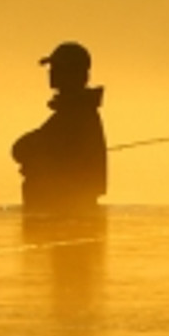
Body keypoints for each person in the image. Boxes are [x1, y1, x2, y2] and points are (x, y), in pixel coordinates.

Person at [12, 42, 107, 214]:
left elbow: (23, 149)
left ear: (74, 74)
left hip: (63, 212)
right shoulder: (77, 111)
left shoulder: (75, 115)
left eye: (57, 68)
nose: (51, 72)